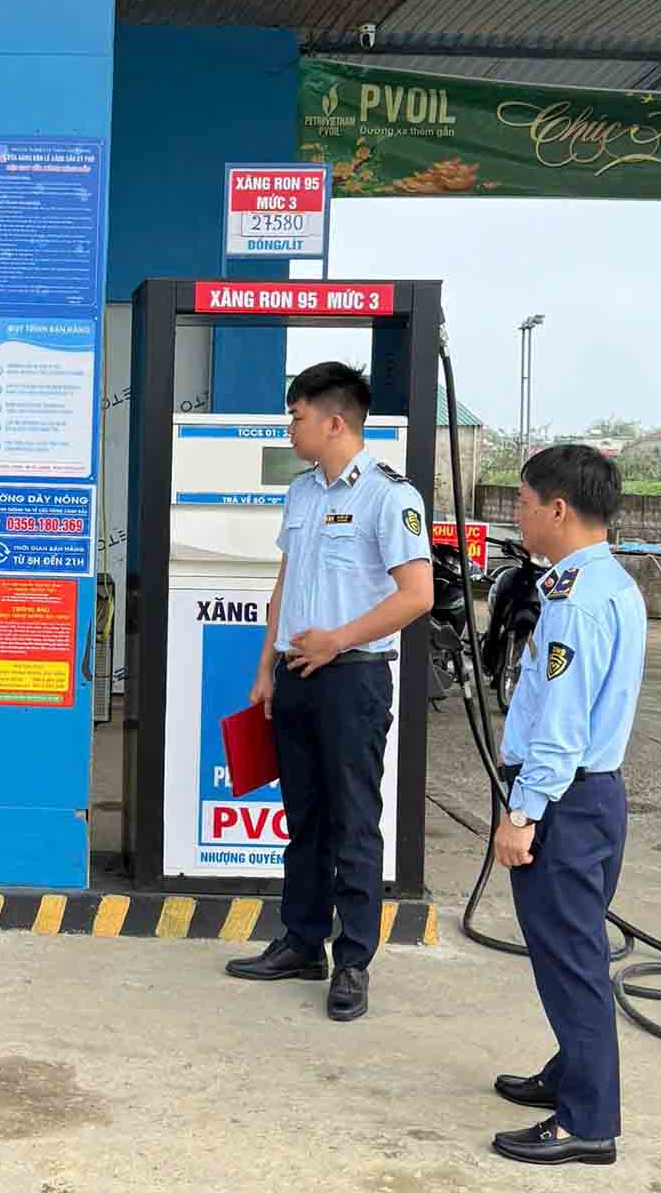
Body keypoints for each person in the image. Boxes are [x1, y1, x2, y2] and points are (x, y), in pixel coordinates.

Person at [224, 362, 433, 1022]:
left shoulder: (389, 497)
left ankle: (353, 963)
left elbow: (416, 596)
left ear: (334, 422)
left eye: (298, 416)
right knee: (305, 819)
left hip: (351, 680)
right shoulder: (303, 493)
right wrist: (267, 665)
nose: (291, 428)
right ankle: (301, 942)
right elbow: (287, 580)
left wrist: (336, 640)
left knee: (351, 824)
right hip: (295, 676)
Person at [488, 444, 645, 1167]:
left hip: (565, 802)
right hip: (596, 798)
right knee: (572, 953)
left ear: (557, 508)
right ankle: (571, 1072)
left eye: (521, 500)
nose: (515, 511)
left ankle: (587, 1121)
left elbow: (561, 723)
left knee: (572, 961)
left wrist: (522, 816)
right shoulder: (611, 584)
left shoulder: (574, 603)